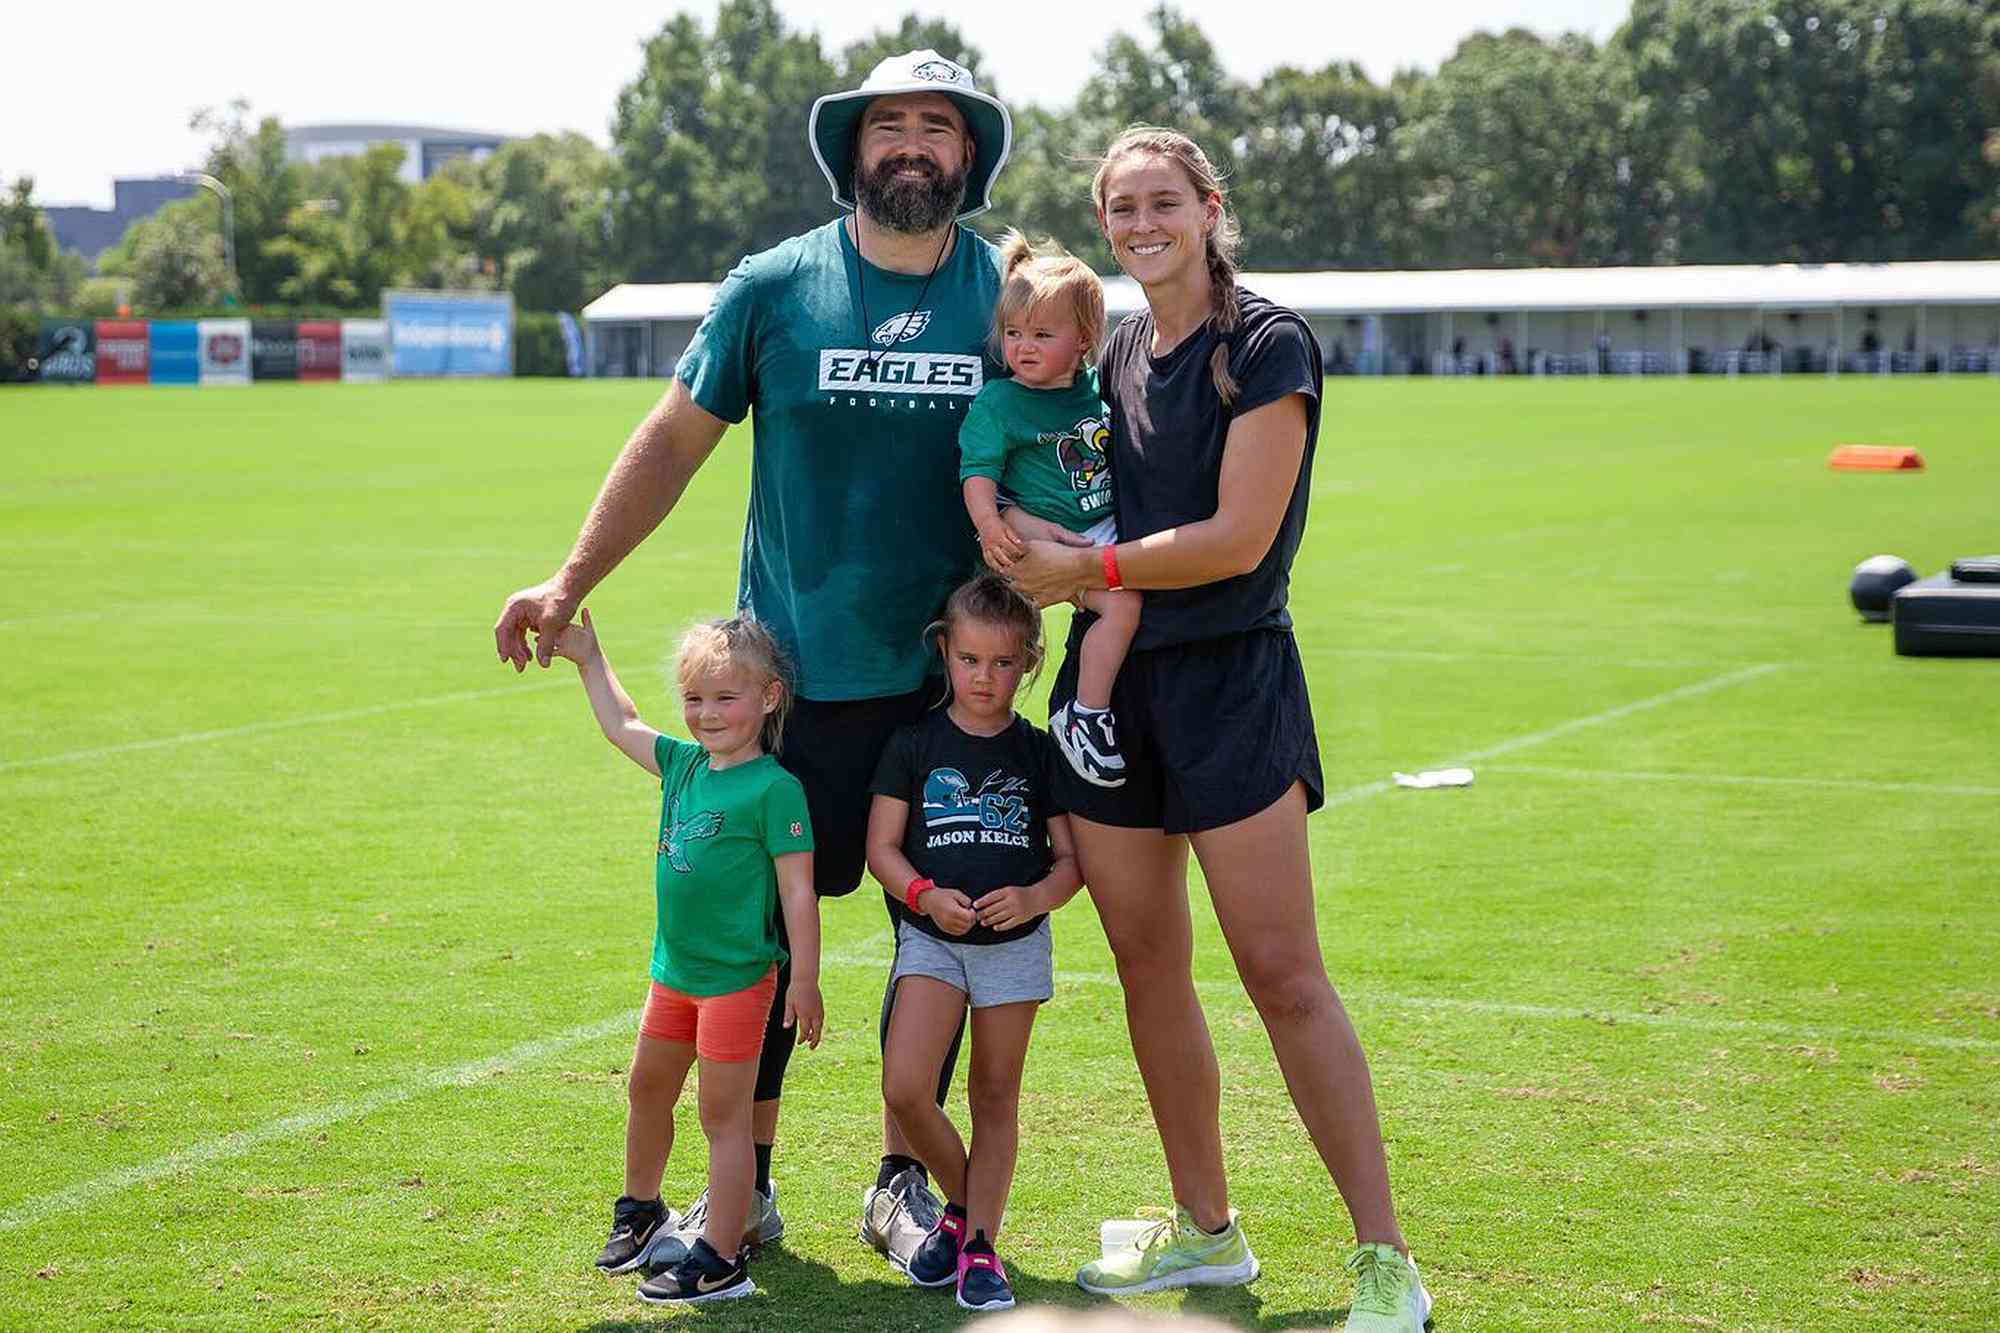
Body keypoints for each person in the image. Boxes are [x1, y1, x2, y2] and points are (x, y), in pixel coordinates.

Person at [492, 50, 1014, 1273]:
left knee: (932, 943)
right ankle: (753, 1179)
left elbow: (1062, 446)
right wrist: (569, 585)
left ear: (968, 158)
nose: (910, 147)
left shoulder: (1005, 294)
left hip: (946, 698)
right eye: (888, 126)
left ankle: (902, 1184)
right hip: (791, 689)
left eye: (935, 128)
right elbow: (672, 440)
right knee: (757, 943)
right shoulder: (772, 287)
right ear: (851, 152)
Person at [1001, 126, 1433, 1333]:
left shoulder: (1265, 342)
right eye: (1119, 207)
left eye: (1161, 202)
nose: (1141, 224)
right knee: (1147, 967)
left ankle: (1384, 1258)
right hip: (1112, 689)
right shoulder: (1117, 343)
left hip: (1232, 683)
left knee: (1282, 977)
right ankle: (1207, 1235)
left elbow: (1238, 538)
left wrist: (1074, 565)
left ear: (1207, 206)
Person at [555, 610, 822, 1305]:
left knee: (721, 1117)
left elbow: (798, 890)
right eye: (695, 698)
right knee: (647, 1087)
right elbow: (622, 723)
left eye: (725, 697)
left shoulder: (774, 789)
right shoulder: (681, 765)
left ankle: (723, 1256)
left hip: (737, 983)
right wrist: (589, 655)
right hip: (672, 975)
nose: (707, 713)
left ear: (768, 697)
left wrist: (808, 980)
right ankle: (642, 1213)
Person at [865, 575, 1083, 1312]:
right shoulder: (914, 743)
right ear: (944, 652)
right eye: (969, 659)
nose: (983, 678)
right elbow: (882, 851)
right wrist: (923, 895)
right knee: (906, 1086)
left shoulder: (1037, 751)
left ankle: (979, 1245)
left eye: (1001, 663)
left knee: (994, 1093)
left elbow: (1071, 863)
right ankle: (967, 1204)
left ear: (1026, 663)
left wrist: (1033, 897)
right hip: (932, 941)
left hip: (1013, 948)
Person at [959, 232, 1139, 789]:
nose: (1023, 347)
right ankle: (1086, 713)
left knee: (1140, 592)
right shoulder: (1000, 402)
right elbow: (978, 475)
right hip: (1037, 543)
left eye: (1042, 334)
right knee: (1123, 605)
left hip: (1097, 527)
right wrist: (992, 526)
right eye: (1013, 334)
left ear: (1084, 340)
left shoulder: (1097, 390)